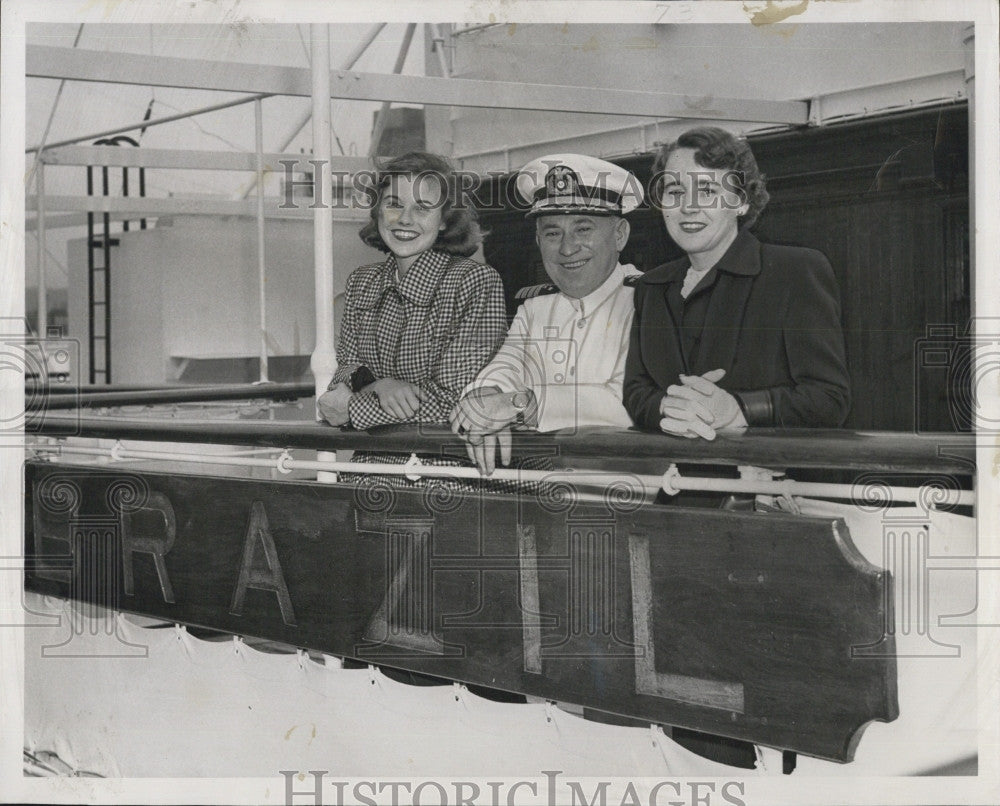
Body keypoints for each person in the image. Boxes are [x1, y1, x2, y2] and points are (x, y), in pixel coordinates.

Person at [623, 126, 850, 440]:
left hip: (763, 482)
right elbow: (636, 393)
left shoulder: (794, 272)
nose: (688, 206)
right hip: (674, 482)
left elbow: (829, 399)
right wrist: (669, 407)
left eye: (707, 191)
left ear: (741, 202)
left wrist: (737, 408)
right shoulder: (652, 287)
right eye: (675, 191)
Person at [317, 152, 507, 480]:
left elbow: (453, 404)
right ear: (378, 212)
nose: (405, 219)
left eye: (422, 208)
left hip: (447, 477)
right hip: (366, 474)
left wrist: (351, 408)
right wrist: (377, 384)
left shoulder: (474, 282)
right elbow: (343, 374)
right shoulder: (362, 282)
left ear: (445, 219)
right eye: (393, 204)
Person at [450, 153, 643, 475]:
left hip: (636, 495)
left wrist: (519, 405)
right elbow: (506, 365)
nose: (567, 249)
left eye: (583, 229)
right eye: (553, 234)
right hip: (543, 489)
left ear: (620, 234)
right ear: (538, 240)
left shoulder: (651, 301)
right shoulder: (535, 307)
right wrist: (486, 396)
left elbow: (629, 400)